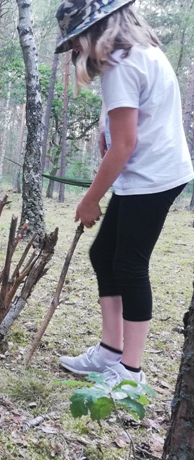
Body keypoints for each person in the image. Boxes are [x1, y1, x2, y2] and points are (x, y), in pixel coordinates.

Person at [54, 0, 194, 387]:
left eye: (75, 43)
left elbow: (124, 145)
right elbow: (128, 123)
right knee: (103, 254)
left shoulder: (119, 63)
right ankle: (109, 352)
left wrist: (89, 199)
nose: (77, 53)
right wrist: (106, 127)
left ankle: (130, 372)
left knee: (130, 266)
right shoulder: (142, 52)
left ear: (91, 32)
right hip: (150, 171)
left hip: (153, 176)